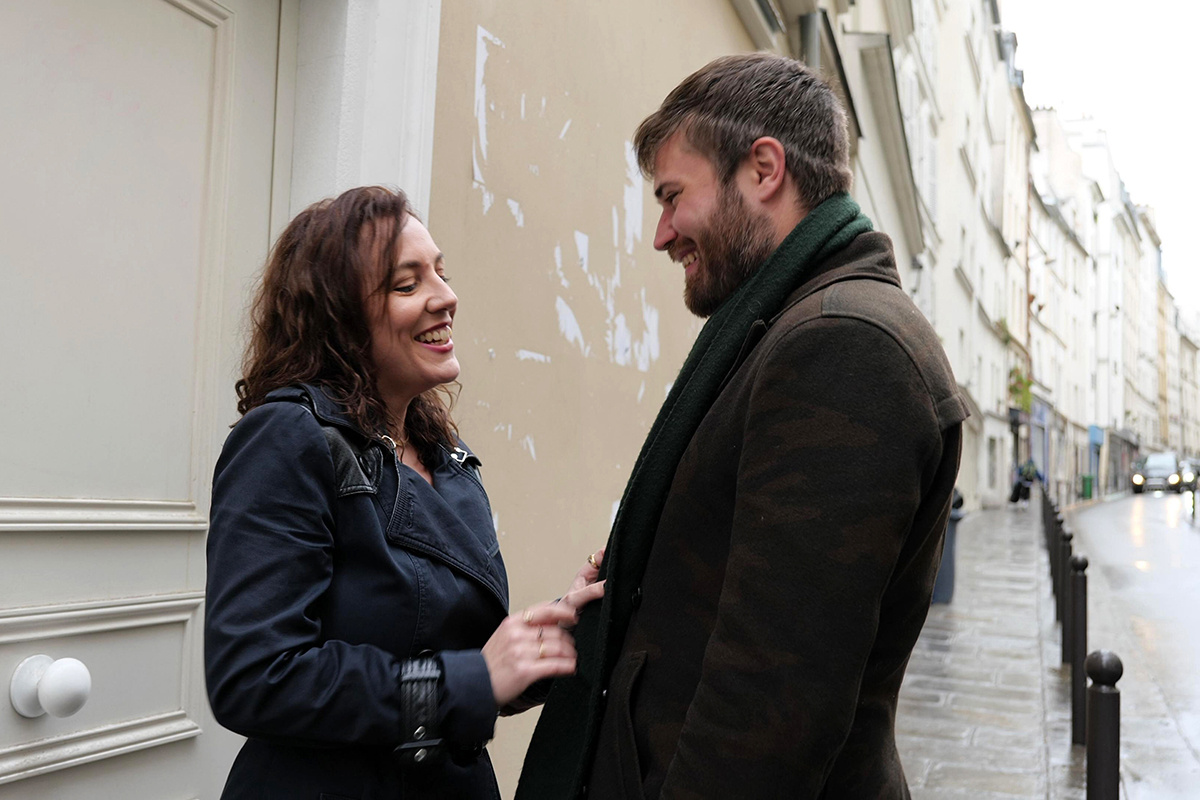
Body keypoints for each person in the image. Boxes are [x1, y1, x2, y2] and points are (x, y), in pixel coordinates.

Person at [517, 54, 969, 799]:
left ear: (763, 170)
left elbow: (768, 716)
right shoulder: (789, 326)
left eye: (673, 196)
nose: (662, 234)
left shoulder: (844, 346)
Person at [204, 185, 604, 799]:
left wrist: (549, 636)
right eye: (407, 284)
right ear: (337, 315)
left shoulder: (442, 453)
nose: (446, 297)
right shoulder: (287, 437)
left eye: (441, 273)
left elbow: (453, 651)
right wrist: (469, 681)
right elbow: (255, 676)